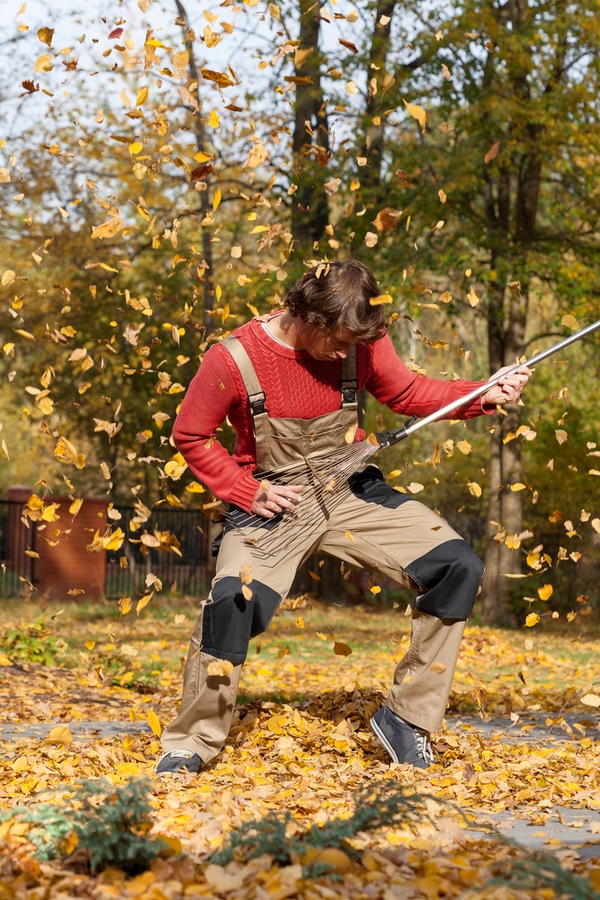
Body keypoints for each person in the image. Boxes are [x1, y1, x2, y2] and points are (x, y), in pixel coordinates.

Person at [155, 260, 531, 775]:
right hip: (274, 503)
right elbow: (190, 435)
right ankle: (192, 742)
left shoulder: (360, 339)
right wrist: (245, 489)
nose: (345, 352)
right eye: (336, 340)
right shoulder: (233, 358)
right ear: (302, 313)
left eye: (354, 342)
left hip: (349, 489)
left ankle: (407, 719)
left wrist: (482, 393)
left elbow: (405, 392)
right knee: (233, 601)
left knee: (456, 565)